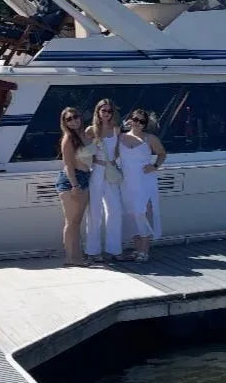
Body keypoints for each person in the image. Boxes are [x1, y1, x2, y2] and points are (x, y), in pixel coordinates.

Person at [118, 109, 167, 262]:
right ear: (130, 119)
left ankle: (144, 251)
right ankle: (137, 249)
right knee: (131, 214)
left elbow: (162, 154)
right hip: (126, 181)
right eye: (135, 119)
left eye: (142, 121)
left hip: (144, 180)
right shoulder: (121, 137)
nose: (138, 123)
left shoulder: (150, 138)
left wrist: (155, 166)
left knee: (141, 213)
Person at [84, 99, 124, 262]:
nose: (106, 113)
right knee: (94, 211)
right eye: (103, 110)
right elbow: (83, 152)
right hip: (97, 171)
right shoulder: (91, 130)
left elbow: (118, 151)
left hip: (111, 171)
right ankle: (92, 251)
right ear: (98, 111)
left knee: (115, 211)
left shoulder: (116, 129)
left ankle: (114, 249)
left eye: (109, 111)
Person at [56, 107, 92, 266]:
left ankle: (77, 257)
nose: (73, 121)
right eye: (68, 119)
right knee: (71, 222)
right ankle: (71, 258)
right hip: (72, 181)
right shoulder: (68, 139)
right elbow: (69, 165)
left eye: (75, 117)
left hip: (85, 178)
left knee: (77, 222)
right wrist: (75, 186)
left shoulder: (84, 135)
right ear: (64, 122)